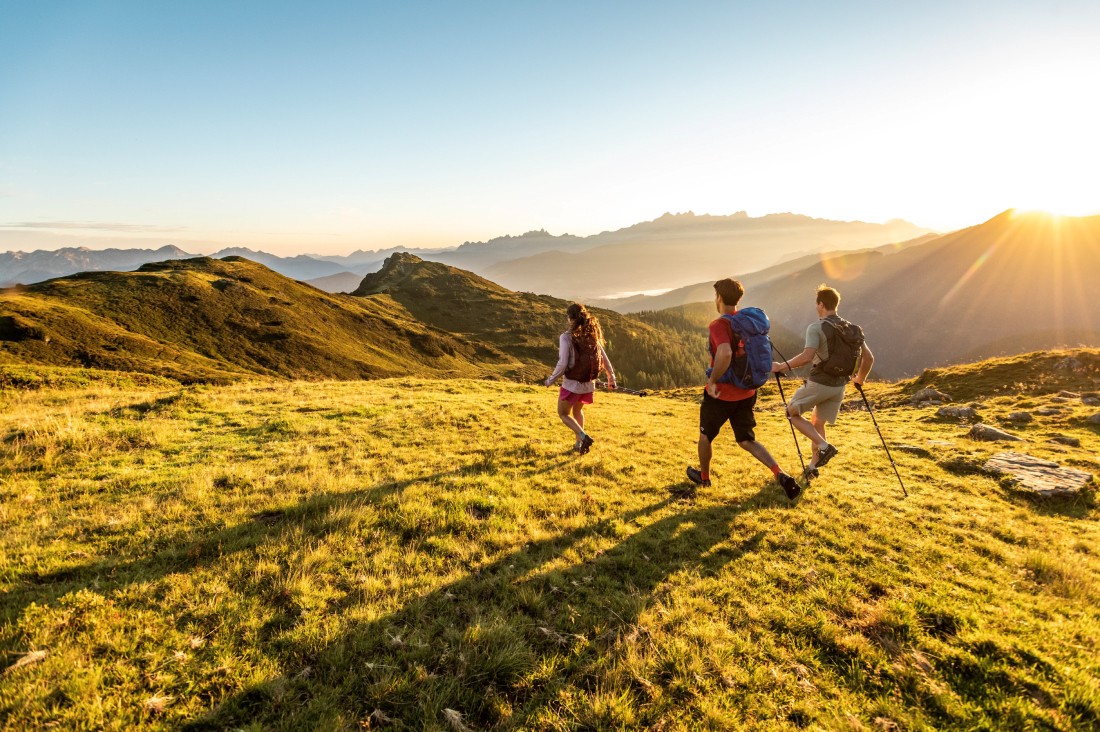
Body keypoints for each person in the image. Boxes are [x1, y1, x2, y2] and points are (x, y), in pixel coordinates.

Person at [686, 278, 801, 499]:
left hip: (722, 393)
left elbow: (725, 353)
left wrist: (712, 382)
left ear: (718, 298)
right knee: (747, 439)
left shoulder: (719, 325)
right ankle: (780, 473)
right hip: (747, 391)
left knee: (705, 436)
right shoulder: (749, 321)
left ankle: (705, 477)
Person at [771, 284, 874, 480]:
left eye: (816, 303)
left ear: (820, 304)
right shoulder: (853, 329)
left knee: (791, 412)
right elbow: (868, 358)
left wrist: (780, 366)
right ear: (836, 304)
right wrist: (859, 379)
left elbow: (806, 357)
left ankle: (825, 447)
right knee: (817, 424)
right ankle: (812, 468)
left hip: (820, 382)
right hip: (839, 387)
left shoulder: (817, 327)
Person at [545, 303, 616, 454]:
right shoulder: (592, 334)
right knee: (578, 411)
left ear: (569, 318)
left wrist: (550, 380)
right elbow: (604, 358)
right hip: (588, 384)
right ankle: (578, 445)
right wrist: (611, 377)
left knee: (564, 414)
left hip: (572, 384)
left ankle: (583, 437)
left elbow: (563, 363)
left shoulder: (566, 337)